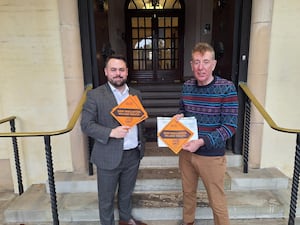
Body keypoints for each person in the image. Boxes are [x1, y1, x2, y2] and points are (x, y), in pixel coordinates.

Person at [174, 42, 238, 225]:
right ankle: (188, 222)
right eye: (196, 62)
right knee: (188, 194)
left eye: (205, 61)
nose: (200, 67)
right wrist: (178, 118)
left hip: (211, 157)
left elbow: (230, 126)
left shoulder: (226, 88)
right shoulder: (187, 86)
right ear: (191, 64)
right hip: (186, 152)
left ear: (213, 64)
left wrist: (201, 142)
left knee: (217, 201)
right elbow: (183, 111)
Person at [81, 54, 147, 225]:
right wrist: (111, 132)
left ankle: (125, 220)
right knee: (106, 199)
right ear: (106, 72)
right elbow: (86, 125)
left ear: (126, 72)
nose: (118, 73)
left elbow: (140, 122)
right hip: (107, 156)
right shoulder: (95, 95)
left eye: (121, 70)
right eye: (113, 70)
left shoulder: (136, 94)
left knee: (126, 194)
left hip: (132, 155)